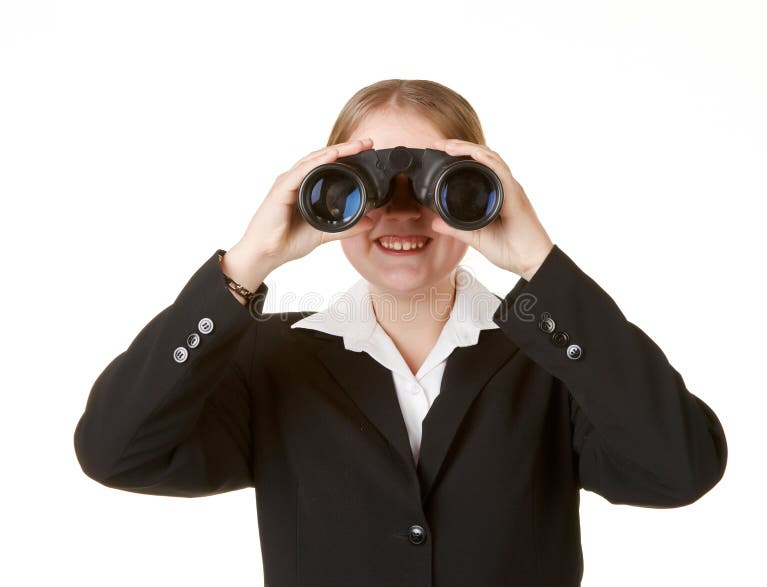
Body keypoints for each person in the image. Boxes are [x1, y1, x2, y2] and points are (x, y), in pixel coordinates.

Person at [74, 79, 727, 586]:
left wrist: (539, 264)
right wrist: (248, 261)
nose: (403, 210)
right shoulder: (271, 360)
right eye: (369, 183)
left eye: (438, 182)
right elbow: (116, 450)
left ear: (480, 192)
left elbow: (682, 468)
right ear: (324, 198)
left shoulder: (552, 360)